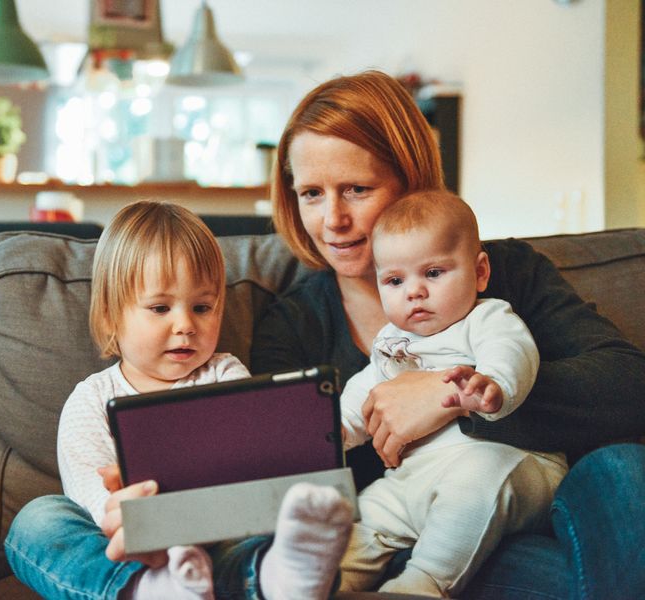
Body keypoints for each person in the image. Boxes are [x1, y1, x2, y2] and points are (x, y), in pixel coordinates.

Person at [252, 69, 645, 598]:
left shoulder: (505, 273)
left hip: (529, 512)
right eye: (311, 194)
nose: (333, 220)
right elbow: (286, 468)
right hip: (398, 540)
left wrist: (450, 393)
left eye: (357, 189)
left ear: (410, 180)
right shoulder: (292, 323)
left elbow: (628, 385)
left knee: (624, 467)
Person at [5, 200, 353, 600]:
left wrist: (303, 440)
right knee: (37, 520)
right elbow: (91, 498)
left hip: (219, 537)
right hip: (131, 550)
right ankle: (150, 589)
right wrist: (140, 526)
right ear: (109, 317)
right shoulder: (91, 399)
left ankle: (278, 578)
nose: (186, 325)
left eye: (202, 307)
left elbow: (254, 462)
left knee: (281, 525)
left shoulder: (225, 374)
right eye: (160, 308)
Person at [337, 190, 567, 596]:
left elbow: (512, 350)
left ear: (479, 272)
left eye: (434, 273)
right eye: (395, 280)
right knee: (366, 512)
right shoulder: (392, 340)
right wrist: (336, 429)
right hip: (414, 478)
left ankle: (422, 583)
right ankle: (328, 582)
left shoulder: (486, 317)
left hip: (507, 464)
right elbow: (367, 389)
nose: (414, 292)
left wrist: (493, 384)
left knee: (473, 483)